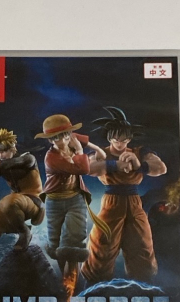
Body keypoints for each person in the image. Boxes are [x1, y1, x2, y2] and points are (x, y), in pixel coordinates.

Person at [81, 107, 167, 284]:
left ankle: (143, 283)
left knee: (142, 244)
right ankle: (96, 283)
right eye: (116, 139)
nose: (120, 143)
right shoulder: (101, 152)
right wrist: (115, 165)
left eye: (124, 139)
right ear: (109, 137)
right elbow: (89, 168)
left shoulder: (140, 152)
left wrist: (139, 166)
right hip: (111, 202)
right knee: (102, 244)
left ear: (129, 138)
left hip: (134, 202)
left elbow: (160, 168)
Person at [35, 114, 124, 279]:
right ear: (50, 140)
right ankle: (64, 279)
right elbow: (81, 169)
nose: (63, 140)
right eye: (57, 138)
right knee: (55, 243)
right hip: (55, 201)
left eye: (65, 135)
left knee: (75, 241)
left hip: (75, 198)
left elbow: (93, 148)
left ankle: (71, 279)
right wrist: (80, 151)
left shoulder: (72, 140)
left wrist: (95, 151)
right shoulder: (51, 158)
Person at [0, 128, 44, 251]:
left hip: (33, 203)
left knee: (8, 201)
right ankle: (20, 227)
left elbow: (12, 163)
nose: (1, 155)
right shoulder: (2, 165)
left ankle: (24, 233)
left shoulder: (28, 158)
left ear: (13, 147)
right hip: (13, 208)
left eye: (4, 151)